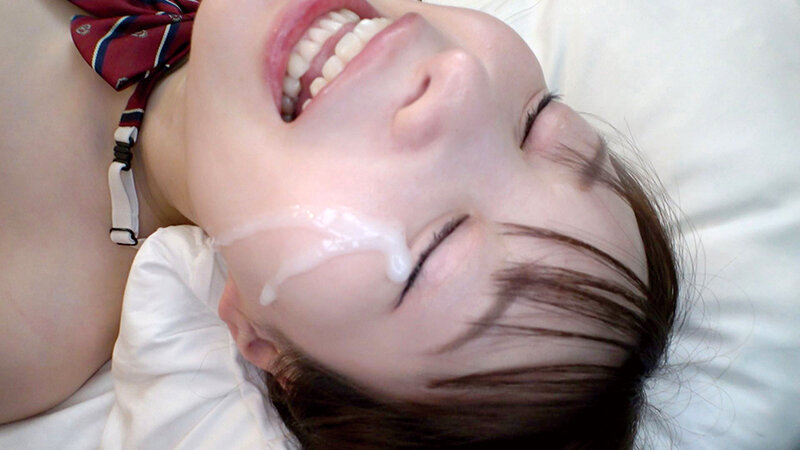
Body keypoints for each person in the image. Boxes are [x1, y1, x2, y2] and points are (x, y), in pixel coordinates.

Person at [0, 0, 679, 447]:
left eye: (436, 249)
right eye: (537, 124)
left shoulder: (22, 322)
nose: (460, 80)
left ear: (268, 348)